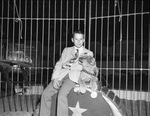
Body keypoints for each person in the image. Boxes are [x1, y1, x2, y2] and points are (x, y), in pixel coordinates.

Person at [39, 30, 94, 116]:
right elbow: (59, 64)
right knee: (45, 94)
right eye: (76, 39)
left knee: (61, 96)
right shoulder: (66, 50)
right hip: (61, 75)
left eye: (81, 39)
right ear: (72, 40)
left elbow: (90, 69)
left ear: (84, 40)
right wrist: (55, 78)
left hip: (73, 77)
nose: (78, 41)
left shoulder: (88, 53)